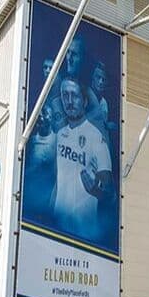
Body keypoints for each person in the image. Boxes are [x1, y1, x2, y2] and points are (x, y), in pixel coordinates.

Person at [47, 76, 113, 238]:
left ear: (84, 101)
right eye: (65, 95)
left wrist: (95, 187)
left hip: (84, 232)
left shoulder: (96, 136)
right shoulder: (60, 134)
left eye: (74, 95)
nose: (69, 101)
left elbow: (108, 187)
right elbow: (58, 181)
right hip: (57, 227)